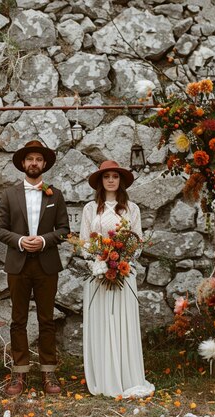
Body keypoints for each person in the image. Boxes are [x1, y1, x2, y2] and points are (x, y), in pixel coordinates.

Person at [0, 140, 70, 396]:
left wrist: (44, 240)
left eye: (38, 159)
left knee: (47, 320)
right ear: (23, 164)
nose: (34, 163)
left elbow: (64, 230)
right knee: (18, 320)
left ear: (44, 164)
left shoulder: (55, 194)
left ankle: (48, 372)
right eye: (30, 159)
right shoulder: (9, 194)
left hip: (47, 264)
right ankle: (19, 373)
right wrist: (19, 240)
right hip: (18, 264)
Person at [79, 160, 155, 398]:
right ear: (100, 181)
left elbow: (137, 242)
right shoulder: (91, 209)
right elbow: (84, 244)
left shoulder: (131, 209)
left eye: (115, 176)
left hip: (123, 271)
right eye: (106, 176)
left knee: (122, 321)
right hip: (99, 273)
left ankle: (125, 376)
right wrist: (99, 261)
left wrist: (122, 260)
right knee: (102, 321)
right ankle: (103, 377)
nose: (111, 180)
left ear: (120, 180)